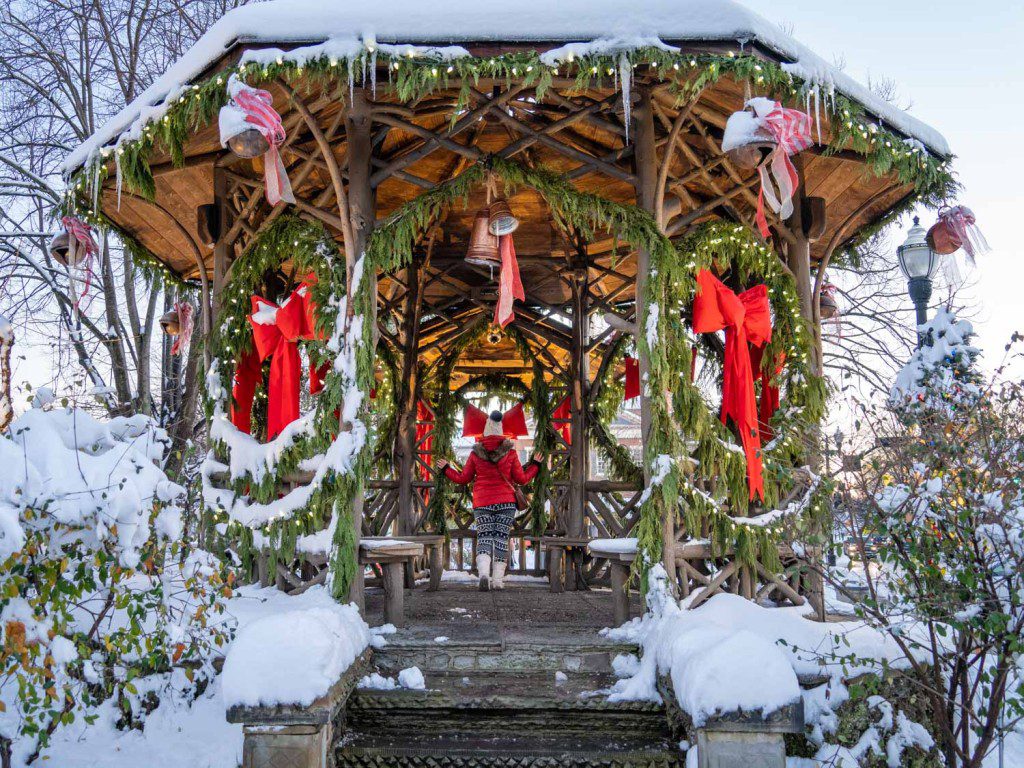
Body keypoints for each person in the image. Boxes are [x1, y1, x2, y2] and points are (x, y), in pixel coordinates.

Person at [438, 410, 542, 591]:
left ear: (485, 432)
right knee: (501, 539)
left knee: (485, 537)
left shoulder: (475, 454)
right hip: (506, 503)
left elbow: (463, 478)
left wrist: (446, 468)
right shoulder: (509, 454)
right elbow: (522, 479)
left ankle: (484, 574)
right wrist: (536, 465)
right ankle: (498, 580)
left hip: (483, 502)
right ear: (501, 432)